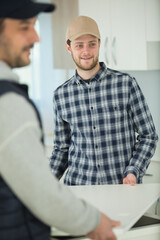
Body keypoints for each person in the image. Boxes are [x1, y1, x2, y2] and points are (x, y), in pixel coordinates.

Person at [0, 2, 120, 240]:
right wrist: (93, 222)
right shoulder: (9, 103)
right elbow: (40, 190)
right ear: (70, 48)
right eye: (24, 27)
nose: (36, 37)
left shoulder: (124, 84)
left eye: (34, 27)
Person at [50, 16, 158, 186]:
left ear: (99, 44)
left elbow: (148, 136)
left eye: (91, 44)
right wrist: (43, 186)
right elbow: (61, 149)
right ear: (68, 48)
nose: (86, 51)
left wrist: (134, 170)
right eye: (79, 45)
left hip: (120, 188)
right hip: (79, 190)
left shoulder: (126, 84)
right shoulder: (61, 95)